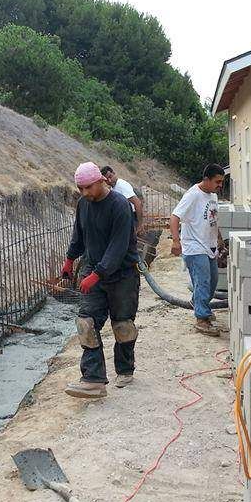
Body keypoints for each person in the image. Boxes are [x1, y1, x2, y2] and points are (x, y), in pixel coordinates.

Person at [60, 162, 140, 399]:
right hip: (94, 270)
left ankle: (125, 369)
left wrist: (97, 274)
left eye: (88, 188)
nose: (84, 193)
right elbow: (79, 234)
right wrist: (69, 259)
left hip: (122, 275)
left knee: (122, 325)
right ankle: (93, 380)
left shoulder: (120, 207)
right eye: (80, 188)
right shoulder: (83, 204)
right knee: (86, 323)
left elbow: (117, 248)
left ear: (101, 182)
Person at [170, 164, 225, 337]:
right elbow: (174, 217)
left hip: (209, 246)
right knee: (203, 282)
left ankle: (199, 303)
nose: (220, 185)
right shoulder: (193, 195)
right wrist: (176, 241)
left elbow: (213, 219)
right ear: (206, 179)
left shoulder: (213, 196)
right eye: (217, 181)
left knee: (213, 281)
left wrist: (219, 238)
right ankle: (202, 319)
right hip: (194, 247)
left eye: (222, 182)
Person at [101, 165, 144, 235]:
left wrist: (140, 224)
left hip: (132, 216)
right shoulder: (113, 188)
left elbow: (137, 203)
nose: (109, 180)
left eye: (110, 177)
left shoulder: (121, 186)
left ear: (114, 173)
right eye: (106, 180)